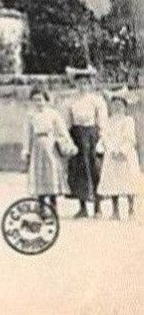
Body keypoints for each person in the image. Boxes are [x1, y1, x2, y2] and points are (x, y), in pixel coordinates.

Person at [21, 87, 75, 217]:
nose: (38, 102)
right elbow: (27, 134)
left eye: (40, 99)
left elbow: (62, 130)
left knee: (51, 175)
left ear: (46, 100)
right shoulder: (30, 115)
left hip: (50, 146)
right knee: (39, 176)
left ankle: (53, 208)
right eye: (35, 100)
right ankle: (41, 208)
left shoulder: (53, 113)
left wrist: (67, 143)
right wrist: (26, 150)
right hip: (37, 148)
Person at [64, 67, 108, 218]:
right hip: (77, 136)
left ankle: (97, 207)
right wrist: (69, 141)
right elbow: (67, 123)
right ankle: (82, 207)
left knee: (94, 169)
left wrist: (101, 139)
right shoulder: (71, 101)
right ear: (76, 84)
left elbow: (102, 122)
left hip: (92, 135)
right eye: (80, 83)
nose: (83, 86)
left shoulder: (97, 100)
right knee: (78, 171)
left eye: (86, 82)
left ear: (90, 84)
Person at [97, 91, 139, 219]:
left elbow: (130, 138)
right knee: (113, 183)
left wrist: (122, 150)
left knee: (128, 181)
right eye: (114, 105)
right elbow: (104, 136)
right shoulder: (108, 121)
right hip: (111, 154)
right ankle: (115, 211)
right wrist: (110, 149)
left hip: (126, 155)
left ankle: (131, 210)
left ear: (125, 107)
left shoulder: (128, 120)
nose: (117, 107)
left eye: (120, 105)